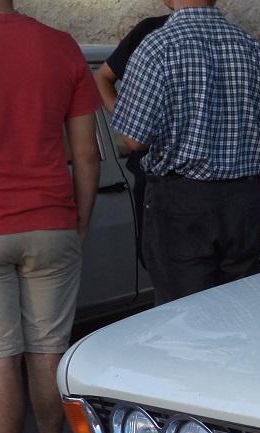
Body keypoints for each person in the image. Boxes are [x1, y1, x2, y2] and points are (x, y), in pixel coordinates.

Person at [0, 2, 102, 433]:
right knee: (47, 349)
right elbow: (86, 153)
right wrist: (79, 220)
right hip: (51, 221)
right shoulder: (60, 46)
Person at [112, 0, 260, 305]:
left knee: (183, 318)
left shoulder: (157, 46)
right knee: (239, 310)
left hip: (181, 202)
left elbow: (135, 140)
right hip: (242, 201)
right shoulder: (250, 48)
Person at [93, 1, 174, 265]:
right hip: (155, 178)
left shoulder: (153, 36)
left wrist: (133, 129)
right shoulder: (149, 31)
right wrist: (128, 119)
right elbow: (102, 77)